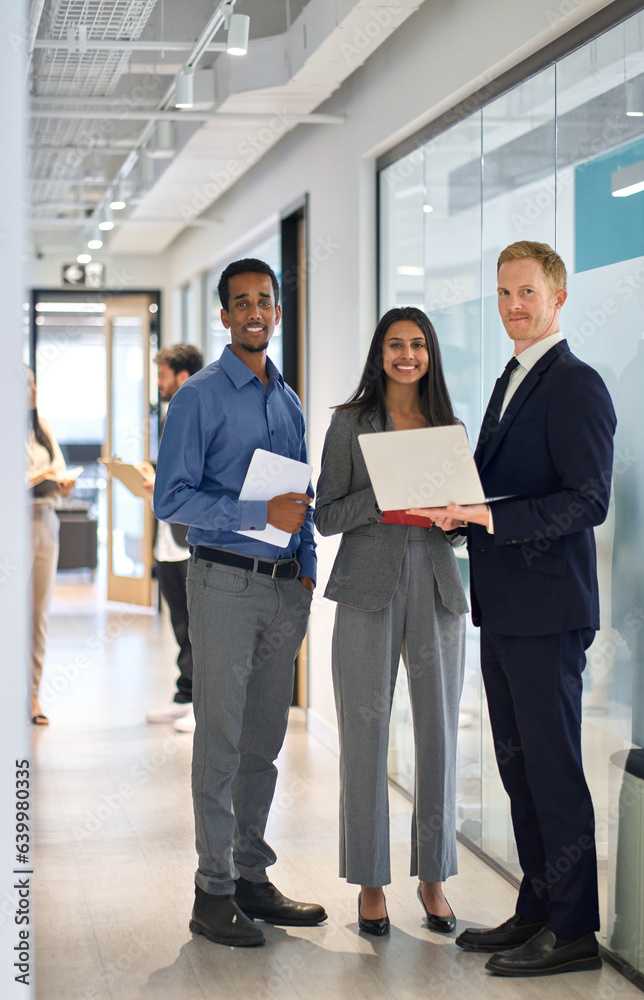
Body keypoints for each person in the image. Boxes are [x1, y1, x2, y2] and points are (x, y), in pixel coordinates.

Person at [416, 241, 616, 976]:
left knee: (553, 771)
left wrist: (491, 518)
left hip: (549, 612)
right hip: (503, 608)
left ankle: (572, 934)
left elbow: (587, 500)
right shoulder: (511, 377)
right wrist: (462, 516)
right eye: (502, 293)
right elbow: (507, 491)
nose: (512, 306)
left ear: (558, 297)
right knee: (519, 770)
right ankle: (536, 908)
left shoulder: (574, 384)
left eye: (526, 292)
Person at [153, 258, 326, 948]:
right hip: (224, 583)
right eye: (241, 303)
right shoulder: (197, 397)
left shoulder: (287, 399)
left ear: (277, 313)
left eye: (265, 301)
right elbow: (173, 500)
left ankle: (251, 877)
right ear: (224, 315)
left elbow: (302, 500)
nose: (255, 312)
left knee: (263, 745)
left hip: (285, 591)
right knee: (221, 743)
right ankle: (212, 890)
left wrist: (307, 567)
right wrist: (260, 508)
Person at [314, 307, 468, 936]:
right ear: (379, 353)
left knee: (438, 738)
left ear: (430, 354)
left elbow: (459, 533)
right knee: (364, 737)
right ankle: (371, 883)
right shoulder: (349, 424)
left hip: (434, 586)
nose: (408, 355)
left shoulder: (447, 426)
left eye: (419, 345)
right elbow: (325, 515)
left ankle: (433, 878)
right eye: (396, 345)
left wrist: (455, 520)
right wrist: (388, 493)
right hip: (367, 589)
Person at [143, 344, 204, 734]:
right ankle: (185, 696)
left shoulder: (199, 412)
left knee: (199, 626)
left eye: (163, 375)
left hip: (191, 538)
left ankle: (203, 705)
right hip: (168, 538)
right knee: (180, 623)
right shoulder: (171, 414)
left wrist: (160, 483)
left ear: (181, 376)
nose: (159, 383)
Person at [26, 366, 75, 724]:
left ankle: (32, 697)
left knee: (37, 615)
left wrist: (60, 482)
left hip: (45, 520)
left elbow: (58, 466)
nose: (28, 390)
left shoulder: (42, 427)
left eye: (30, 384)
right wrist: (40, 476)